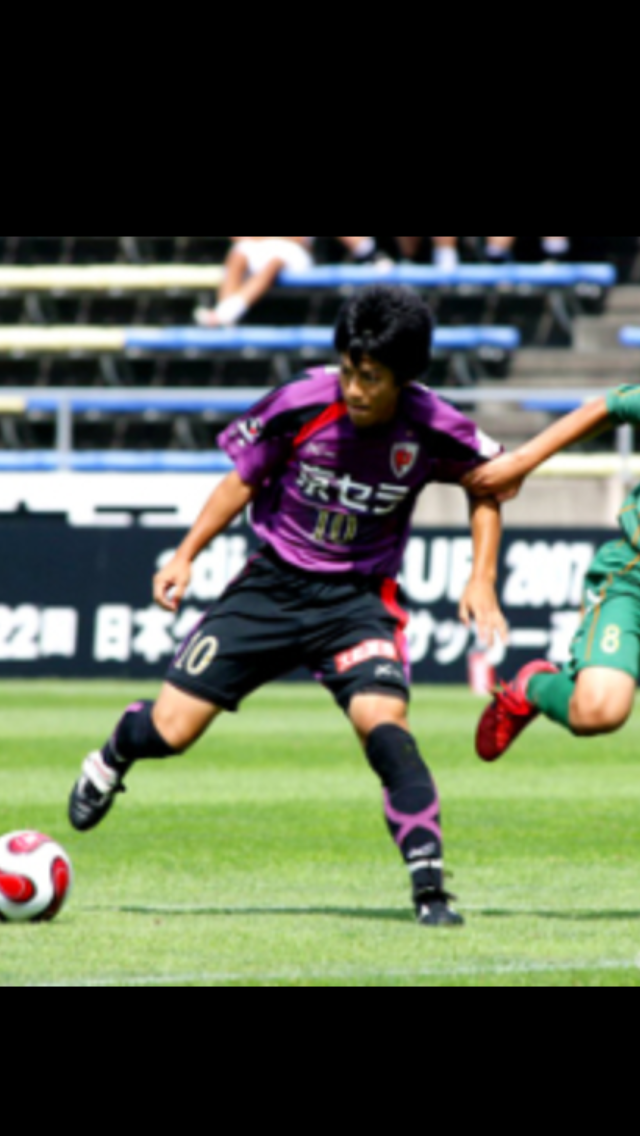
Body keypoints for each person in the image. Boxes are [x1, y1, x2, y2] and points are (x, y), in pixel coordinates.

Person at [69, 285, 508, 928]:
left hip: (358, 602)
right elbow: (243, 479)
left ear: (405, 378)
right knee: (171, 732)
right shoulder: (302, 401)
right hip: (270, 588)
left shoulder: (434, 424)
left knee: (386, 729)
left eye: (371, 378)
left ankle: (430, 890)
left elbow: (488, 483)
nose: (355, 389)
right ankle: (112, 754)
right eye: (350, 371)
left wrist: (482, 578)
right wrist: (185, 555)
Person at [461, 386, 640, 759]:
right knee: (598, 710)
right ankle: (533, 686)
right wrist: (520, 463)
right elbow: (613, 405)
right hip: (632, 577)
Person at [194, 237, 382, 328]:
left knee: (274, 262)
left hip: (293, 255)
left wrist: (372, 256)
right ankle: (224, 317)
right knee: (238, 252)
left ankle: (226, 313)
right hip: (261, 248)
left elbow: (299, 240)